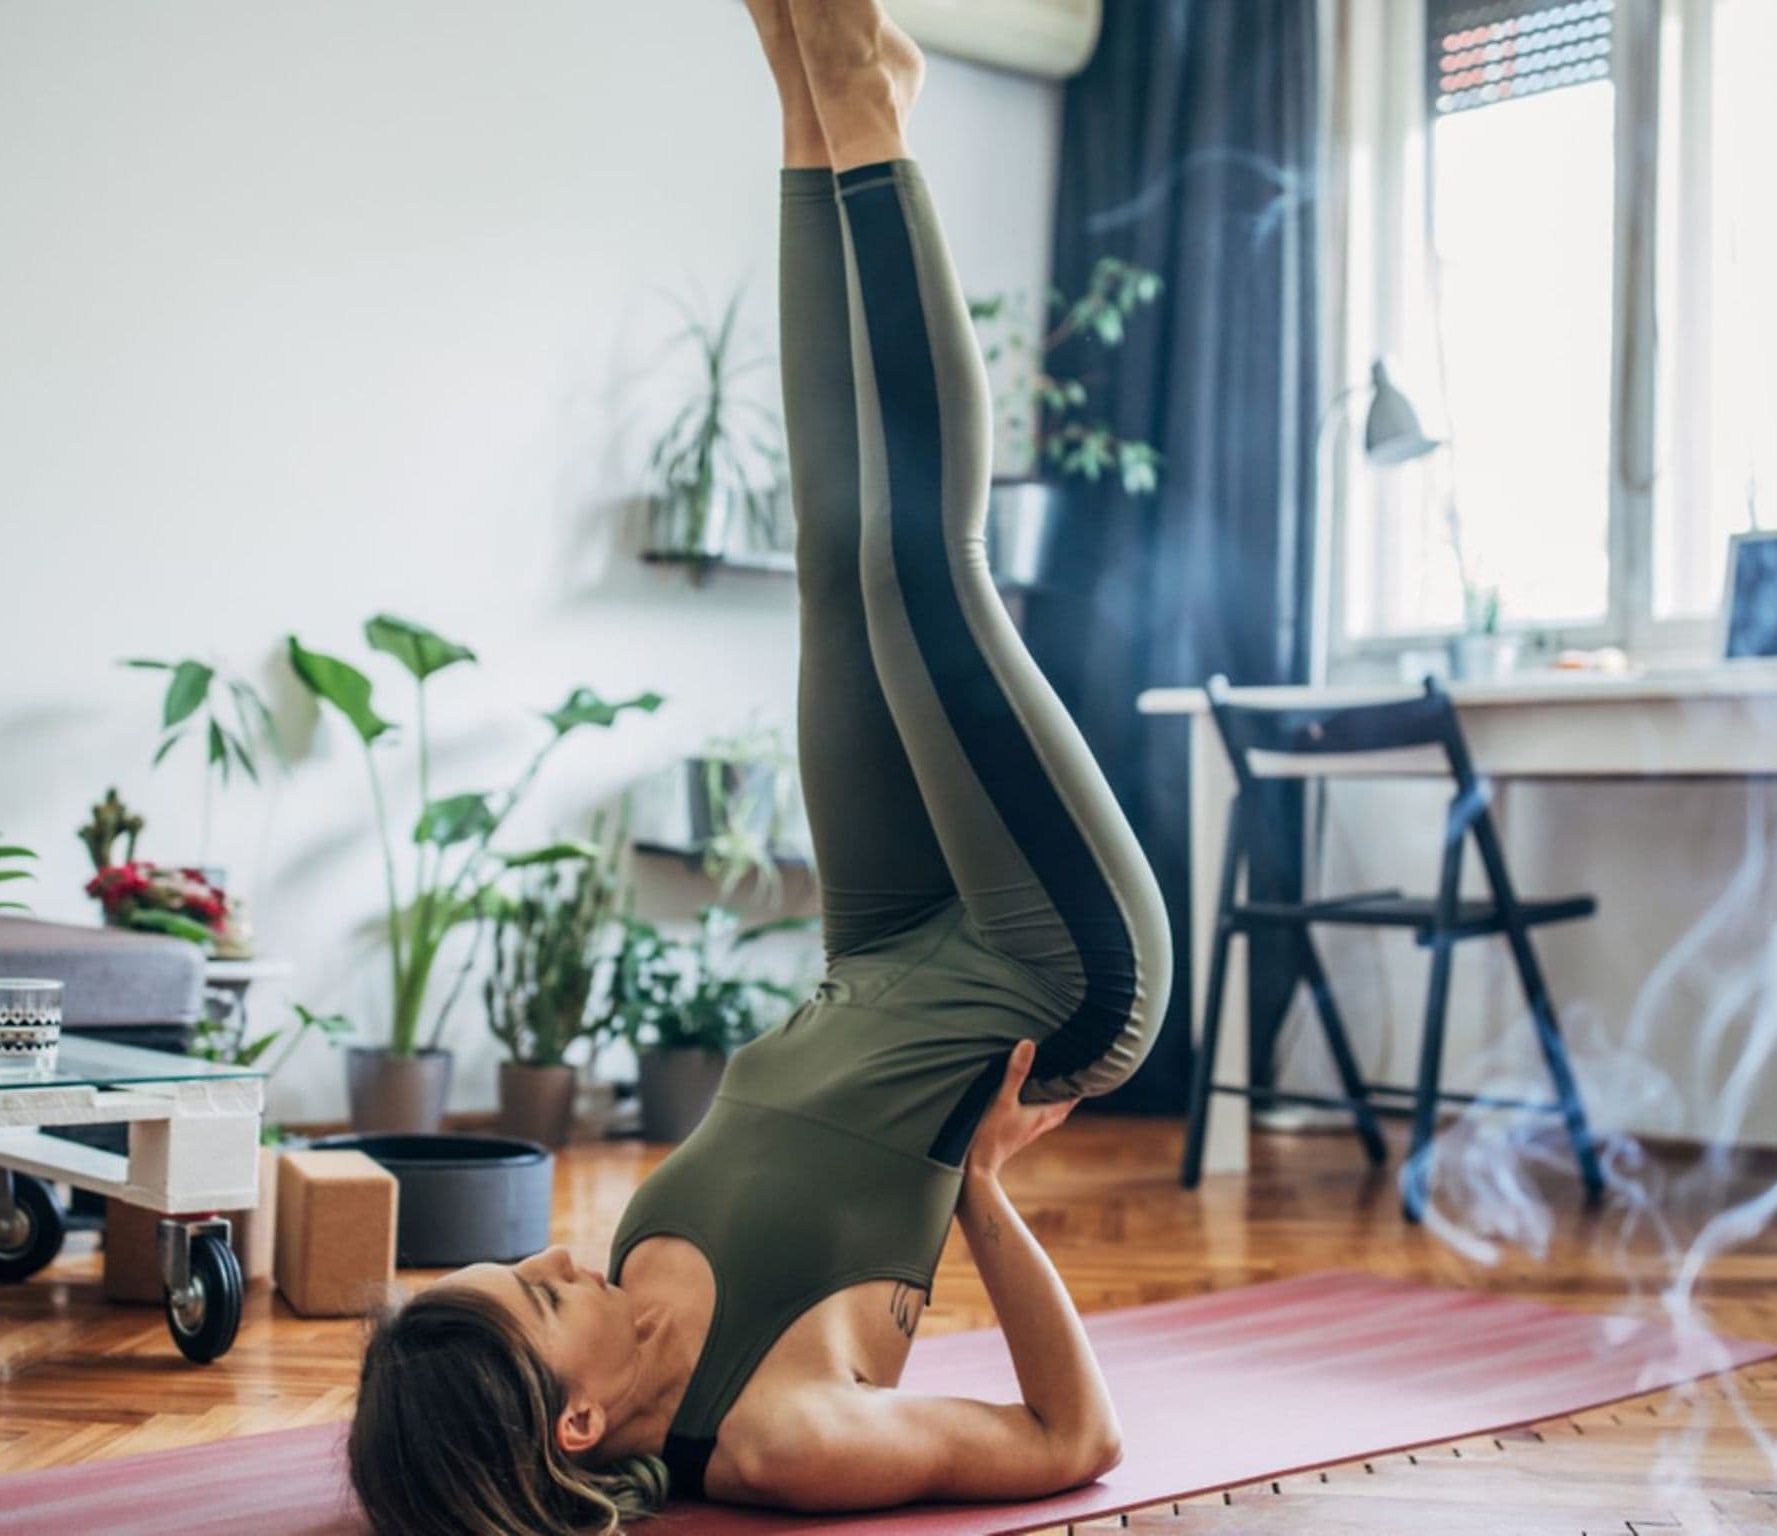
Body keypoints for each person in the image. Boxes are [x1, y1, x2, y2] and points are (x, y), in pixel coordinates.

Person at [347, 1, 1173, 1530]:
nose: (549, 1255)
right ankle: (864, 102)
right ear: (581, 1419)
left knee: (831, 557)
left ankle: (815, 99)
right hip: (1052, 973)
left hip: (884, 943)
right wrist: (982, 1191)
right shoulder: (781, 1437)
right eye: (535, 1299)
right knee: (922, 566)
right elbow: (1076, 1441)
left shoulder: (634, 1268)